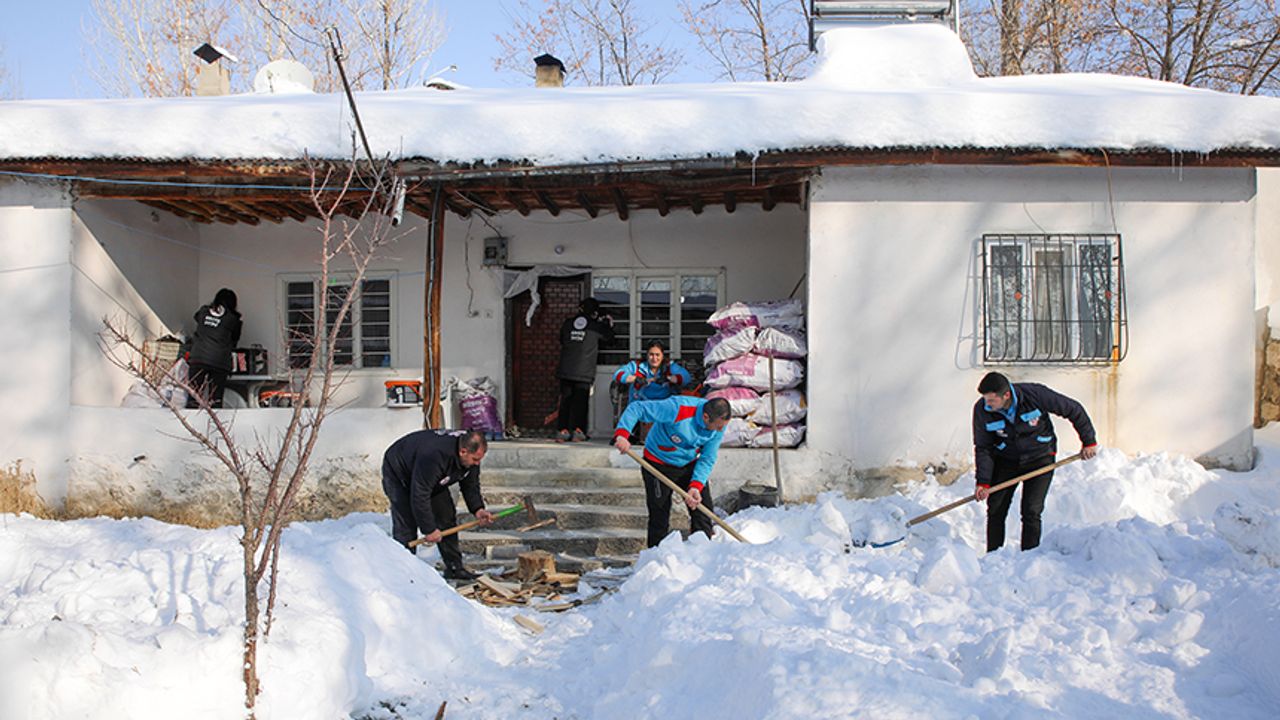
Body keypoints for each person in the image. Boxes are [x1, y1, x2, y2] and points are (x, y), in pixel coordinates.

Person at [972, 372, 1099, 552]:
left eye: (992, 400)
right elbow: (983, 447)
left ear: (1006, 395)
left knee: (1031, 510)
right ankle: (993, 555)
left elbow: (1073, 409)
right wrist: (983, 481)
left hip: (1040, 458)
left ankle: (1029, 556)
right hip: (1006, 459)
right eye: (985, 399)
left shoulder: (1035, 395)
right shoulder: (982, 410)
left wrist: (1089, 441)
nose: (987, 404)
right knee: (995, 509)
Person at [613, 396, 731, 548]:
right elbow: (637, 408)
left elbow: (708, 457)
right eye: (718, 426)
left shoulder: (719, 426)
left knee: (702, 510)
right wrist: (623, 435)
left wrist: (696, 486)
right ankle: (657, 555)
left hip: (688, 464)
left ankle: (702, 553)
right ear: (706, 417)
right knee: (659, 514)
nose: (721, 430)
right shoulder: (677, 408)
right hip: (657, 463)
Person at [382, 428, 494, 580]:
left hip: (430, 476)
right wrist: (429, 529)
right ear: (463, 452)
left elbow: (470, 485)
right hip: (399, 471)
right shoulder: (434, 455)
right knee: (406, 522)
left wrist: (478, 509)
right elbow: (420, 494)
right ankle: (403, 574)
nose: (477, 463)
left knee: (446, 516)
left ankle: (454, 568)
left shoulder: (470, 457)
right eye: (475, 459)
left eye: (479, 459)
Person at [555, 297, 614, 442]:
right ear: (595, 312)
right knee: (580, 403)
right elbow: (610, 340)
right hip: (584, 371)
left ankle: (562, 430)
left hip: (566, 368)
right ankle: (578, 431)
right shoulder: (596, 326)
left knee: (565, 401)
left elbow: (562, 339)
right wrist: (608, 324)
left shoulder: (568, 324)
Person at [613, 340, 692, 443]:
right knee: (633, 410)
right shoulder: (636, 366)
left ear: (662, 356)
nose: (654, 358)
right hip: (642, 405)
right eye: (651, 354)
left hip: (665, 405)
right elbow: (618, 374)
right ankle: (621, 437)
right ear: (646, 355)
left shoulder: (670, 366)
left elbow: (686, 377)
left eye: (657, 355)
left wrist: (669, 378)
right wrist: (636, 379)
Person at [185, 288, 242, 408]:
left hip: (198, 357)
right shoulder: (233, 319)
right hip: (219, 361)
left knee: (194, 396)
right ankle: (214, 419)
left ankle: (190, 418)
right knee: (215, 399)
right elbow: (234, 340)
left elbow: (197, 318)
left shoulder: (203, 311)